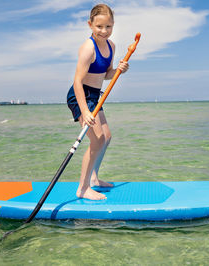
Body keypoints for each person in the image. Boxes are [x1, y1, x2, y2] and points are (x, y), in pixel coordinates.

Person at [67, 4, 129, 200]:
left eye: (109, 27)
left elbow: (106, 74)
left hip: (96, 94)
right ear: (90, 25)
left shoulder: (111, 46)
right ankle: (83, 188)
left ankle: (94, 178)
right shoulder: (87, 48)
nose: (104, 31)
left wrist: (119, 69)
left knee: (106, 137)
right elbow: (77, 82)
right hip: (81, 95)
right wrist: (85, 111)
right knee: (97, 139)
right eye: (99, 27)